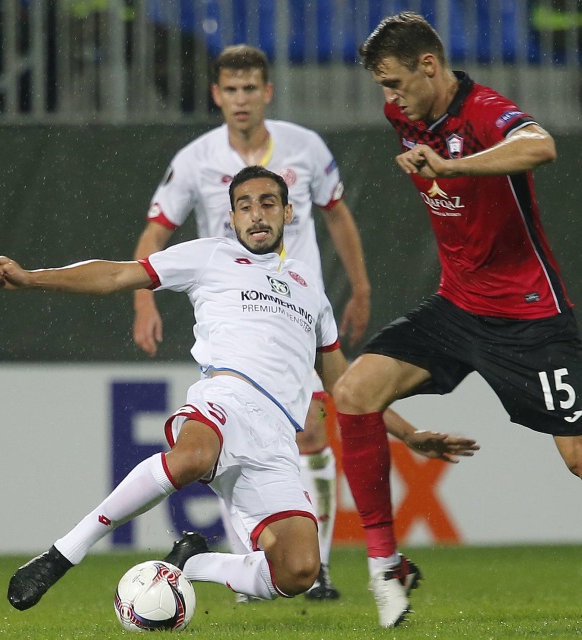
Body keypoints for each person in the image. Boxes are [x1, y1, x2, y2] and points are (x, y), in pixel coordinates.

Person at [331, 12, 582, 629]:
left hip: (528, 318)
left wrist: (456, 166)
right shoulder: (407, 116)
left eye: (393, 83)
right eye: (382, 88)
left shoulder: (484, 112)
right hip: (456, 307)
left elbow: (541, 146)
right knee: (353, 390)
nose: (388, 99)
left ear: (429, 66)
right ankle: (385, 564)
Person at [0, 166, 478, 611]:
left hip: (277, 441)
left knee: (299, 571)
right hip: (224, 397)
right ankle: (62, 553)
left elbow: (345, 386)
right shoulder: (208, 257)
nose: (256, 214)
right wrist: (31, 279)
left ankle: (190, 564)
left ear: (288, 212)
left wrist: (409, 434)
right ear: (232, 217)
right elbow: (116, 274)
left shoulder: (312, 289)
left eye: (267, 203)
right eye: (244, 205)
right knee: (192, 457)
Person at [132, 44, 373, 600]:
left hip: (296, 316)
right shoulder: (195, 159)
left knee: (312, 430)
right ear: (217, 95)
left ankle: (318, 567)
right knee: (229, 442)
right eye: (230, 90)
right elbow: (155, 232)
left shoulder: (305, 148)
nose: (241, 100)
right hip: (237, 319)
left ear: (267, 92)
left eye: (250, 88)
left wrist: (359, 287)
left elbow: (338, 216)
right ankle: (257, 559)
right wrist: (144, 302)